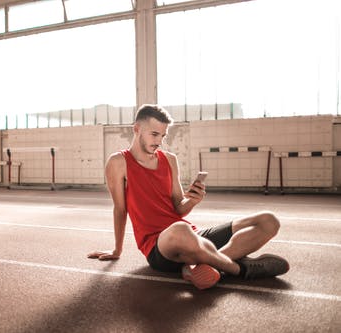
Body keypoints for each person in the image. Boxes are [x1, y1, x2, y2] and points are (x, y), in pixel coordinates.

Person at [88, 104, 289, 290]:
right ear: (137, 129)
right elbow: (120, 209)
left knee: (268, 220)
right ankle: (240, 269)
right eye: (154, 134)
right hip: (159, 247)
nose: (159, 141)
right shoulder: (118, 162)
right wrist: (117, 249)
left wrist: (192, 200)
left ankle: (203, 267)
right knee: (180, 229)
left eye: (163, 136)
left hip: (194, 238)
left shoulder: (169, 159)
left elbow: (179, 207)